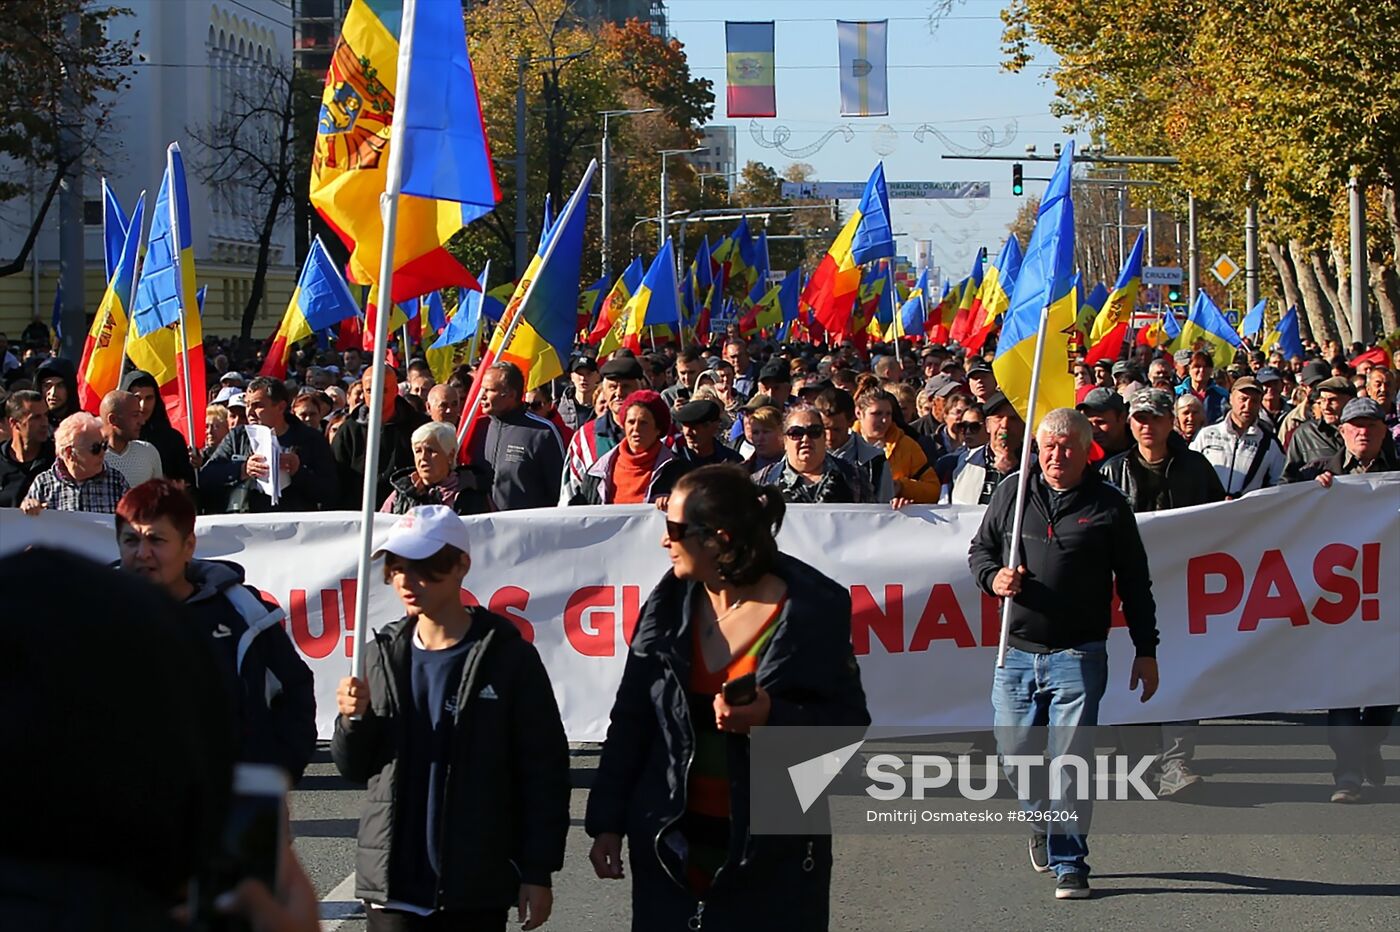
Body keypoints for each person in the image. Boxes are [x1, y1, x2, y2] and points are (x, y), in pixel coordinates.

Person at [586, 466, 870, 929]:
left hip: (771, 859)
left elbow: (847, 727)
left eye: (674, 529)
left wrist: (771, 718)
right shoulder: (664, 611)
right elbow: (631, 721)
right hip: (670, 849)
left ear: (717, 539)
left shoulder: (810, 612)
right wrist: (607, 822)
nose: (664, 541)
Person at [333, 506, 570, 931]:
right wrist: (352, 722)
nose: (407, 581)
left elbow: (544, 771)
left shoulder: (508, 657)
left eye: (425, 568)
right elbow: (356, 767)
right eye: (397, 568)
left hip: (474, 886)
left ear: (462, 565)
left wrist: (537, 871)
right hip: (391, 887)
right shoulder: (380, 654)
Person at [969, 407, 1159, 900]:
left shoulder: (1109, 506)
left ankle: (1070, 861)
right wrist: (994, 579)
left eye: (1066, 447)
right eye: (1048, 446)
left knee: (1069, 759)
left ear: (1085, 450)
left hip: (1079, 654)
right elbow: (980, 551)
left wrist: (1146, 649)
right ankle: (1043, 823)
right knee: (1014, 755)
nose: (1056, 455)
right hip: (1016, 652)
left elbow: (1135, 582)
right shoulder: (1013, 491)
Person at [114, 478, 318, 781]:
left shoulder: (242, 613)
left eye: (156, 540)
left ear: (189, 546)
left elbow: (294, 691)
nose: (143, 553)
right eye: (131, 540)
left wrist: (275, 775)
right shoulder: (91, 615)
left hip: (229, 810)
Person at [1100, 389, 1224, 797]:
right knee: (1127, 671)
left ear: (1171, 421)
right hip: (1127, 592)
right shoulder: (1110, 474)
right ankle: (1143, 762)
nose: (1146, 426)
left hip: (1185, 590)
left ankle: (1177, 761)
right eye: (1139, 418)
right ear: (1128, 423)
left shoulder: (1197, 468)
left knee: (1185, 671)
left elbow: (1223, 523)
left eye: (1154, 417)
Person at [1284, 397, 1398, 802]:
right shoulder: (1317, 474)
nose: (1363, 432)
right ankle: (1347, 772)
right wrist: (1307, 493)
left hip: (1388, 605)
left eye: (1372, 425)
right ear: (1343, 433)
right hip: (1338, 604)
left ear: (1384, 431)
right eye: (1356, 426)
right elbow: (1277, 512)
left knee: (1386, 696)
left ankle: (1369, 745)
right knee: (1344, 692)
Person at [200, 376, 339, 513]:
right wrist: (242, 469)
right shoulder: (238, 436)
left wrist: (299, 472)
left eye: (258, 405)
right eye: (247, 405)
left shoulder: (310, 439)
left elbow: (329, 489)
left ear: (280, 407)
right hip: (246, 525)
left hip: (295, 526)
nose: (250, 412)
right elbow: (207, 475)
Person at [467, 361, 566, 511]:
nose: (482, 396)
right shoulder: (478, 428)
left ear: (511, 395)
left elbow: (560, 492)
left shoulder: (542, 432)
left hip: (527, 529)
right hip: (483, 529)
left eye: (489, 390)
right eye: (482, 389)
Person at [333, 366, 429, 509]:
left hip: (406, 512)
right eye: (369, 391)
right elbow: (337, 479)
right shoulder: (349, 431)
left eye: (383, 390)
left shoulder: (419, 427)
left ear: (396, 390)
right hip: (359, 513)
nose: (376, 397)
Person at [568, 390, 685, 505]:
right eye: (631, 422)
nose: (636, 429)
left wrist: (675, 504)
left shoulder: (678, 472)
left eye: (643, 423)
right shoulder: (597, 473)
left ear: (658, 429)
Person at [561, 356, 643, 505]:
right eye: (612, 387)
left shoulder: (656, 432)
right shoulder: (585, 438)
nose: (619, 393)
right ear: (603, 391)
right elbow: (569, 493)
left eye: (626, 386)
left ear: (639, 389)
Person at [1189, 376, 1286, 496]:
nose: (1248, 406)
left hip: (1248, 512)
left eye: (1254, 401)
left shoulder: (1269, 443)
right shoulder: (1206, 435)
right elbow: (1188, 473)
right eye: (1243, 399)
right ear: (1231, 399)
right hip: (1209, 510)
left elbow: (1279, 484)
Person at [754, 404, 869, 503]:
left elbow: (871, 521)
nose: (805, 439)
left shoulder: (854, 476)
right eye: (796, 433)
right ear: (784, 440)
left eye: (814, 432)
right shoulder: (762, 482)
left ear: (824, 437)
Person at [21, 411, 129, 514]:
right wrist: (30, 507)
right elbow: (26, 524)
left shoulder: (117, 482)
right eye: (95, 448)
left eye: (104, 446)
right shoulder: (44, 484)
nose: (103, 453)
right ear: (70, 453)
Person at [382, 421, 492, 515]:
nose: (423, 457)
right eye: (418, 451)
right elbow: (380, 529)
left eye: (431, 451)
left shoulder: (474, 493)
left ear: (450, 455)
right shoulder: (401, 493)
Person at [855, 388, 939, 504]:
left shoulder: (906, 446)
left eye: (888, 414)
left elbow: (934, 491)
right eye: (877, 414)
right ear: (859, 413)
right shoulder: (845, 444)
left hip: (895, 520)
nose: (884, 420)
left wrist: (901, 487)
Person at [120, 369, 197, 487]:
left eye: (149, 398)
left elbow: (187, 484)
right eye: (137, 398)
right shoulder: (117, 438)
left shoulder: (172, 439)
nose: (143, 405)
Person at [944, 391, 1022, 505]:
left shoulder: (1036, 465)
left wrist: (1013, 471)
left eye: (1013, 419)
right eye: (998, 418)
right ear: (988, 425)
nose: (1005, 425)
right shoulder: (964, 462)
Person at [818, 386, 893, 503]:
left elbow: (885, 508)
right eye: (824, 429)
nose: (830, 437)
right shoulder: (806, 458)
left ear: (851, 421)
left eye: (837, 430)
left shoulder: (875, 462)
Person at [1283, 376, 1356, 481]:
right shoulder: (1305, 434)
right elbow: (1288, 478)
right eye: (1322, 400)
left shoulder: (1367, 431)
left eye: (1332, 400)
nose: (1326, 406)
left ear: (1350, 401)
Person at [99, 389, 164, 487]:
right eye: (135, 415)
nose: (142, 422)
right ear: (113, 419)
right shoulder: (93, 458)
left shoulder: (148, 452)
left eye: (140, 414)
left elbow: (159, 497)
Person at [0, 389, 54, 507]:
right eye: (36, 418)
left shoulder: (56, 459)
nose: (45, 423)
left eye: (46, 415)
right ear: (14, 423)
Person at [673, 399, 744, 471]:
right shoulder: (673, 462)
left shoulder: (732, 462)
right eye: (684, 426)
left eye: (694, 427)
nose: (687, 433)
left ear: (713, 427)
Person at [1174, 351, 1230, 424]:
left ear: (1211, 369)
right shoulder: (1177, 392)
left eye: (1206, 366)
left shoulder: (1222, 394)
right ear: (1189, 368)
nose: (1202, 370)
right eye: (1197, 366)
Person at [1076, 387, 1132, 460]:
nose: (1094, 430)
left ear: (1122, 418)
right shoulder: (1081, 457)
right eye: (1089, 423)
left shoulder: (1144, 450)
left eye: (1101, 422)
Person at [35, 356, 79, 428]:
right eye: (47, 386)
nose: (53, 393)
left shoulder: (84, 424)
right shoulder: (31, 424)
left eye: (60, 386)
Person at [558, 355, 600, 431]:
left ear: (597, 376)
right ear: (572, 376)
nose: (583, 378)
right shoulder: (560, 405)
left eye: (588, 374)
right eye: (579, 374)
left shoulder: (604, 406)